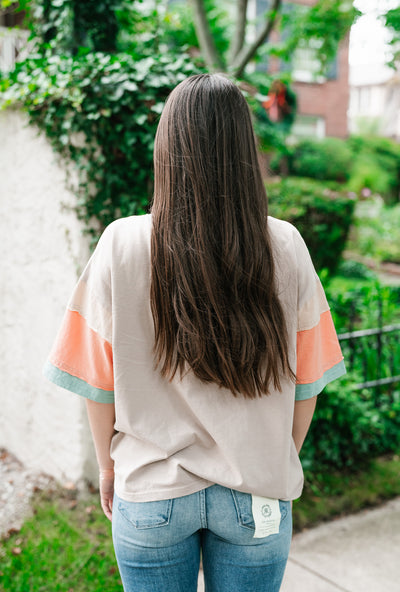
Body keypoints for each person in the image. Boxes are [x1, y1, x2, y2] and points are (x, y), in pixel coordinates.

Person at [44, 73, 346, 592]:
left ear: (168, 148)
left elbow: (97, 383)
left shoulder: (121, 243)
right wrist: (278, 457)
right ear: (244, 151)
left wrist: (107, 466)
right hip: (257, 497)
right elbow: (309, 383)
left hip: (151, 493)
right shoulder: (287, 245)